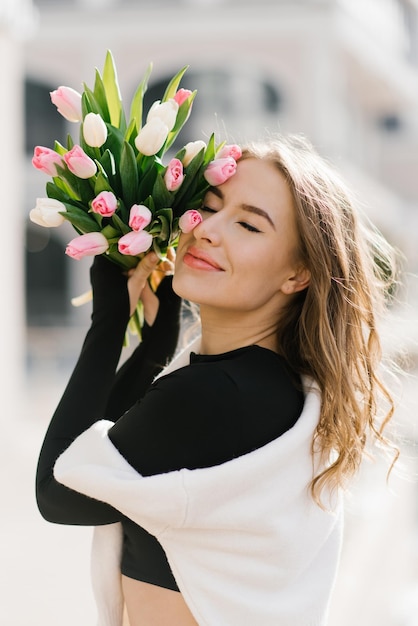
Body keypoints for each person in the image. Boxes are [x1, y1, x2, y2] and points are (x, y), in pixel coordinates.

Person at [36, 134, 398, 626]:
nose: (207, 230)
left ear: (298, 274)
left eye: (248, 224)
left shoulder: (215, 397)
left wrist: (107, 326)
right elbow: (112, 453)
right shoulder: (275, 388)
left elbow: (60, 488)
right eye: (208, 207)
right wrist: (154, 348)